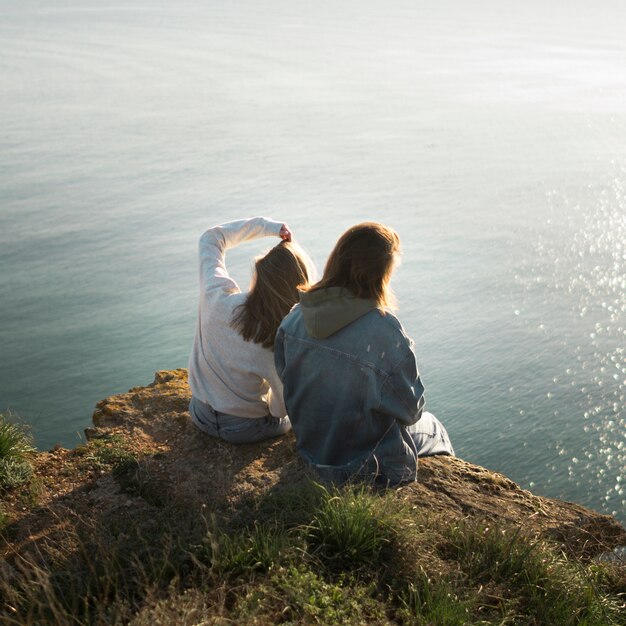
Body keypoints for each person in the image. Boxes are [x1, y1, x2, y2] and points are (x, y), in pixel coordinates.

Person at [274, 222, 454, 485]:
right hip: (369, 469)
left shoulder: (293, 319)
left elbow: (286, 380)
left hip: (311, 457)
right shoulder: (383, 331)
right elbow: (411, 410)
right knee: (433, 428)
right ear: (380, 275)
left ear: (336, 260)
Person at [188, 216, 311, 444]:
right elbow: (280, 408)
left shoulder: (215, 295)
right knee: (300, 412)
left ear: (258, 276)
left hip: (199, 412)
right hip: (245, 428)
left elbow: (210, 239)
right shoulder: (276, 339)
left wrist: (271, 227)